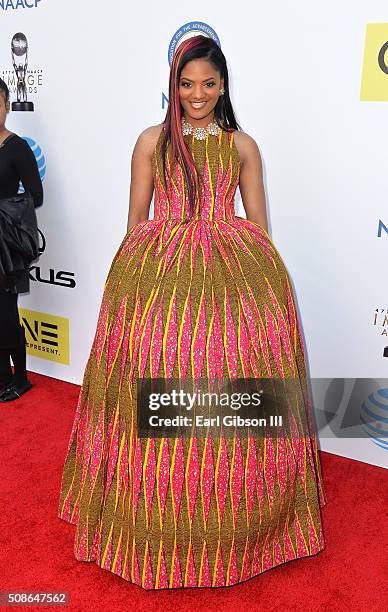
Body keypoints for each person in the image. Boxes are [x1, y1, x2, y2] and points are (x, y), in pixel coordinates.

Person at [58, 36, 327, 589]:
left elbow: (259, 227)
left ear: (223, 84)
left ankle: (247, 526)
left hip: (231, 271)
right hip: (162, 273)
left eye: (208, 84)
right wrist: (129, 296)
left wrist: (263, 300)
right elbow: (136, 218)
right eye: (186, 84)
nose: (197, 95)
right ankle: (154, 522)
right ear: (172, 85)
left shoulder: (243, 145)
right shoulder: (152, 142)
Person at [0, 78, 43, 402]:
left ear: (6, 105)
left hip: (6, 243)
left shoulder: (17, 147)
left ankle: (22, 377)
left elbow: (35, 196)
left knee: (6, 312)